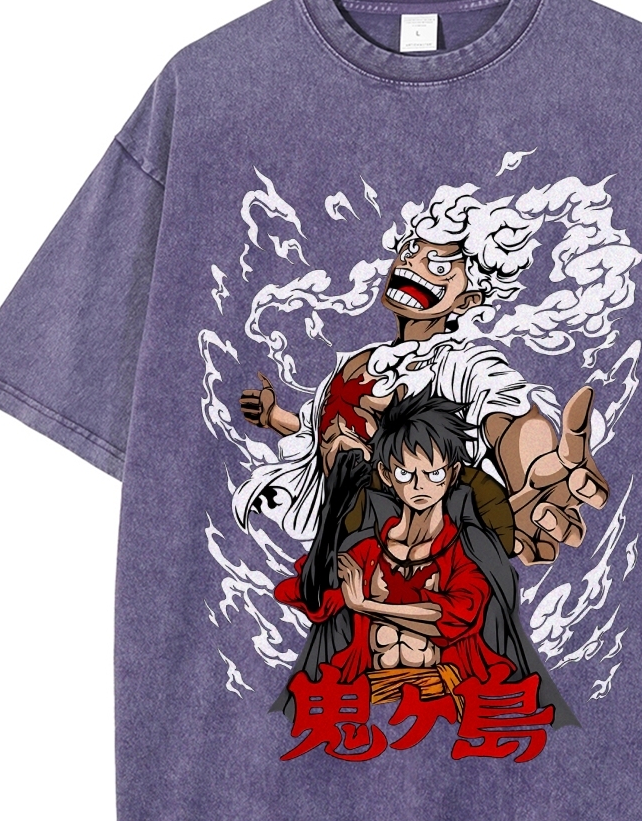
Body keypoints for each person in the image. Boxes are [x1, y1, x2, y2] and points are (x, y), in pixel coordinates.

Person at [236, 184, 610, 569]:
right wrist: (273, 417)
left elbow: (508, 416)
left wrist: (535, 466)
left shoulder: (460, 364)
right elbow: (321, 432)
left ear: (467, 301)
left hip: (410, 565)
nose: (411, 266)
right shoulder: (356, 362)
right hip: (340, 556)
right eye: (410, 251)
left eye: (439, 266)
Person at [270, 388, 576, 725]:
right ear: (387, 474)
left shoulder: (465, 548)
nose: (420, 486)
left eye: (434, 474)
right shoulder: (366, 549)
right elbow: (312, 600)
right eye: (406, 474)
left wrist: (367, 606)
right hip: (369, 705)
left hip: (446, 704)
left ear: (453, 473)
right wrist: (334, 507)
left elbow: (457, 615)